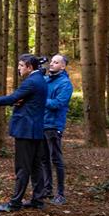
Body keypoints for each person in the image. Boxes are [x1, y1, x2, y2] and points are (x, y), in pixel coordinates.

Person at [0, 54, 49, 212]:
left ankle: (15, 203)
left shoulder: (31, 81)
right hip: (35, 129)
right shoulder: (40, 81)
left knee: (23, 167)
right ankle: (38, 199)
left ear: (30, 67)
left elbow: (13, 98)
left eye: (21, 65)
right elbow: (22, 100)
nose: (18, 68)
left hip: (26, 130)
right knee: (36, 166)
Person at [42, 54, 73, 205]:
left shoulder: (65, 84)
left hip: (54, 126)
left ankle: (60, 193)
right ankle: (47, 190)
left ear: (63, 66)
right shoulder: (46, 80)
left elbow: (57, 104)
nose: (52, 64)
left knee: (56, 159)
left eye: (56, 62)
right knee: (44, 159)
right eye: (52, 62)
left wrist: (40, 99)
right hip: (41, 124)